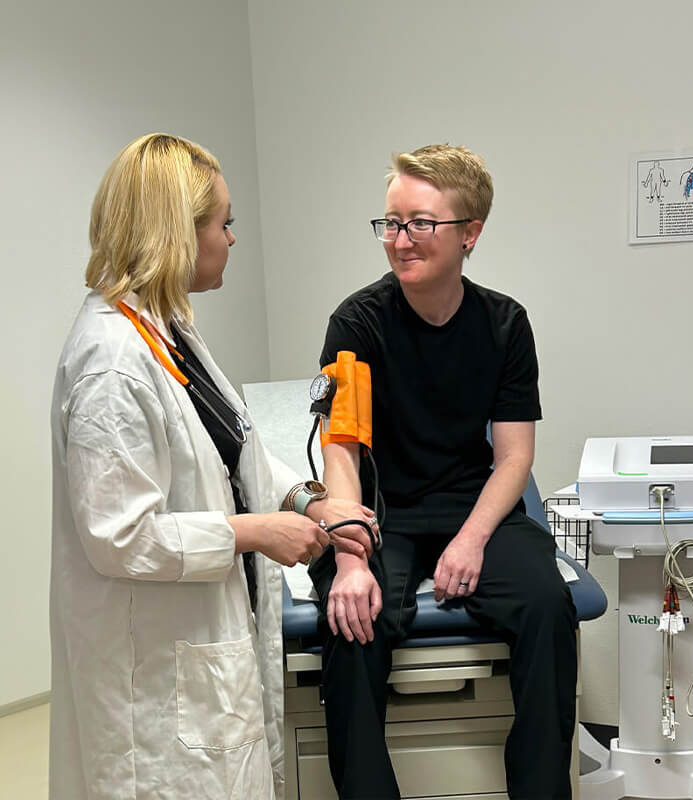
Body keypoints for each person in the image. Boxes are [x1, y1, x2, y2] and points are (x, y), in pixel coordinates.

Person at [49, 133, 378, 800]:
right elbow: (120, 536)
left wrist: (310, 501)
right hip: (152, 681)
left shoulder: (166, 329)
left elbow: (236, 449)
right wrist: (255, 532)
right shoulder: (112, 364)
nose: (232, 238)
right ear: (177, 231)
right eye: (223, 223)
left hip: (199, 656)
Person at [309, 144, 578, 799]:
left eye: (420, 223)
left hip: (472, 507)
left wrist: (472, 538)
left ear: (470, 234)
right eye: (391, 222)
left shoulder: (505, 324)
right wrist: (348, 557)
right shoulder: (357, 322)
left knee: (548, 607)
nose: (400, 240)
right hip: (381, 513)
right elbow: (341, 449)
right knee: (353, 620)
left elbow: (514, 457)